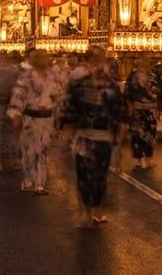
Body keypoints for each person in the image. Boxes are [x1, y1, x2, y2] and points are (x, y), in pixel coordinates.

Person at [63, 47, 126, 228]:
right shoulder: (80, 84)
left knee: (100, 174)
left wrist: (120, 130)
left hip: (104, 136)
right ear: (89, 63)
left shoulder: (111, 86)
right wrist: (68, 128)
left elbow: (119, 110)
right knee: (83, 175)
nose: (98, 65)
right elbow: (71, 108)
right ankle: (86, 211)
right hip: (84, 136)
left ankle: (97, 206)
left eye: (101, 61)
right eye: (95, 61)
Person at [7, 49, 61, 194]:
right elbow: (18, 95)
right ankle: (28, 180)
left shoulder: (52, 76)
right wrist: (16, 114)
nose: (45, 60)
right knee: (29, 151)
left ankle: (40, 183)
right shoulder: (26, 77)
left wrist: (58, 115)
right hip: (30, 117)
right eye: (41, 58)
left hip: (46, 118)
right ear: (35, 60)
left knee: (43, 150)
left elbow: (57, 96)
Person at [124, 55, 159, 170]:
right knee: (138, 134)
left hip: (151, 109)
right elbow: (128, 92)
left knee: (150, 133)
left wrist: (158, 108)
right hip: (137, 108)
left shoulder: (154, 74)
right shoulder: (133, 75)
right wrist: (130, 108)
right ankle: (139, 158)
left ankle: (148, 158)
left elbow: (159, 92)